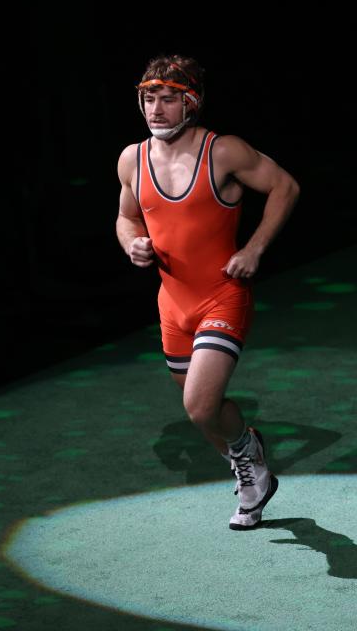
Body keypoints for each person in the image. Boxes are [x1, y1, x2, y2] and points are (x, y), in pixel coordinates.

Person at [115, 55, 300, 529]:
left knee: (197, 406)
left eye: (168, 99)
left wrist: (255, 248)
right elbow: (127, 216)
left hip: (223, 296)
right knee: (209, 411)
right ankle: (251, 464)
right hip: (172, 306)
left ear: (190, 103)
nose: (155, 109)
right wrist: (132, 243)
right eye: (148, 98)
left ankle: (247, 459)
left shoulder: (222, 151)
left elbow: (284, 187)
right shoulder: (132, 159)